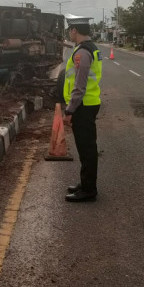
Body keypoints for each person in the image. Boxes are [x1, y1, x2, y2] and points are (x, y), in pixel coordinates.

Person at [62, 15, 103, 202]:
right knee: (86, 147)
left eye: (70, 30)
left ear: (75, 30)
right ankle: (85, 183)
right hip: (88, 103)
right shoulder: (90, 48)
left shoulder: (82, 53)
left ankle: (88, 190)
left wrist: (69, 110)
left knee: (86, 149)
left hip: (83, 106)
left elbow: (79, 86)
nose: (69, 33)